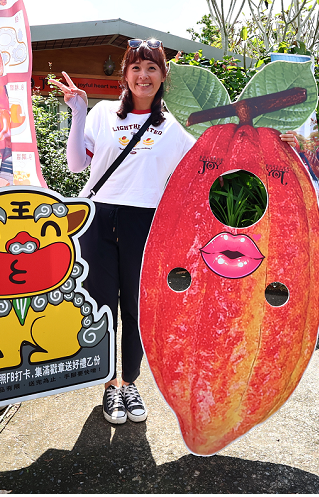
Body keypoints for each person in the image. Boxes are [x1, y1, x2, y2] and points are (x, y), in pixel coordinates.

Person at [49, 39, 195, 425]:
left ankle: (129, 382)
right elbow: (78, 165)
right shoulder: (102, 113)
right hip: (99, 217)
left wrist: (270, 143)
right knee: (101, 306)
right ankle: (108, 385)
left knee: (135, 308)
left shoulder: (175, 126)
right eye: (136, 68)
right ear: (125, 74)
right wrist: (78, 113)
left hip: (145, 222)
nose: (143, 76)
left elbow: (209, 165)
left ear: (164, 75)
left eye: (151, 68)